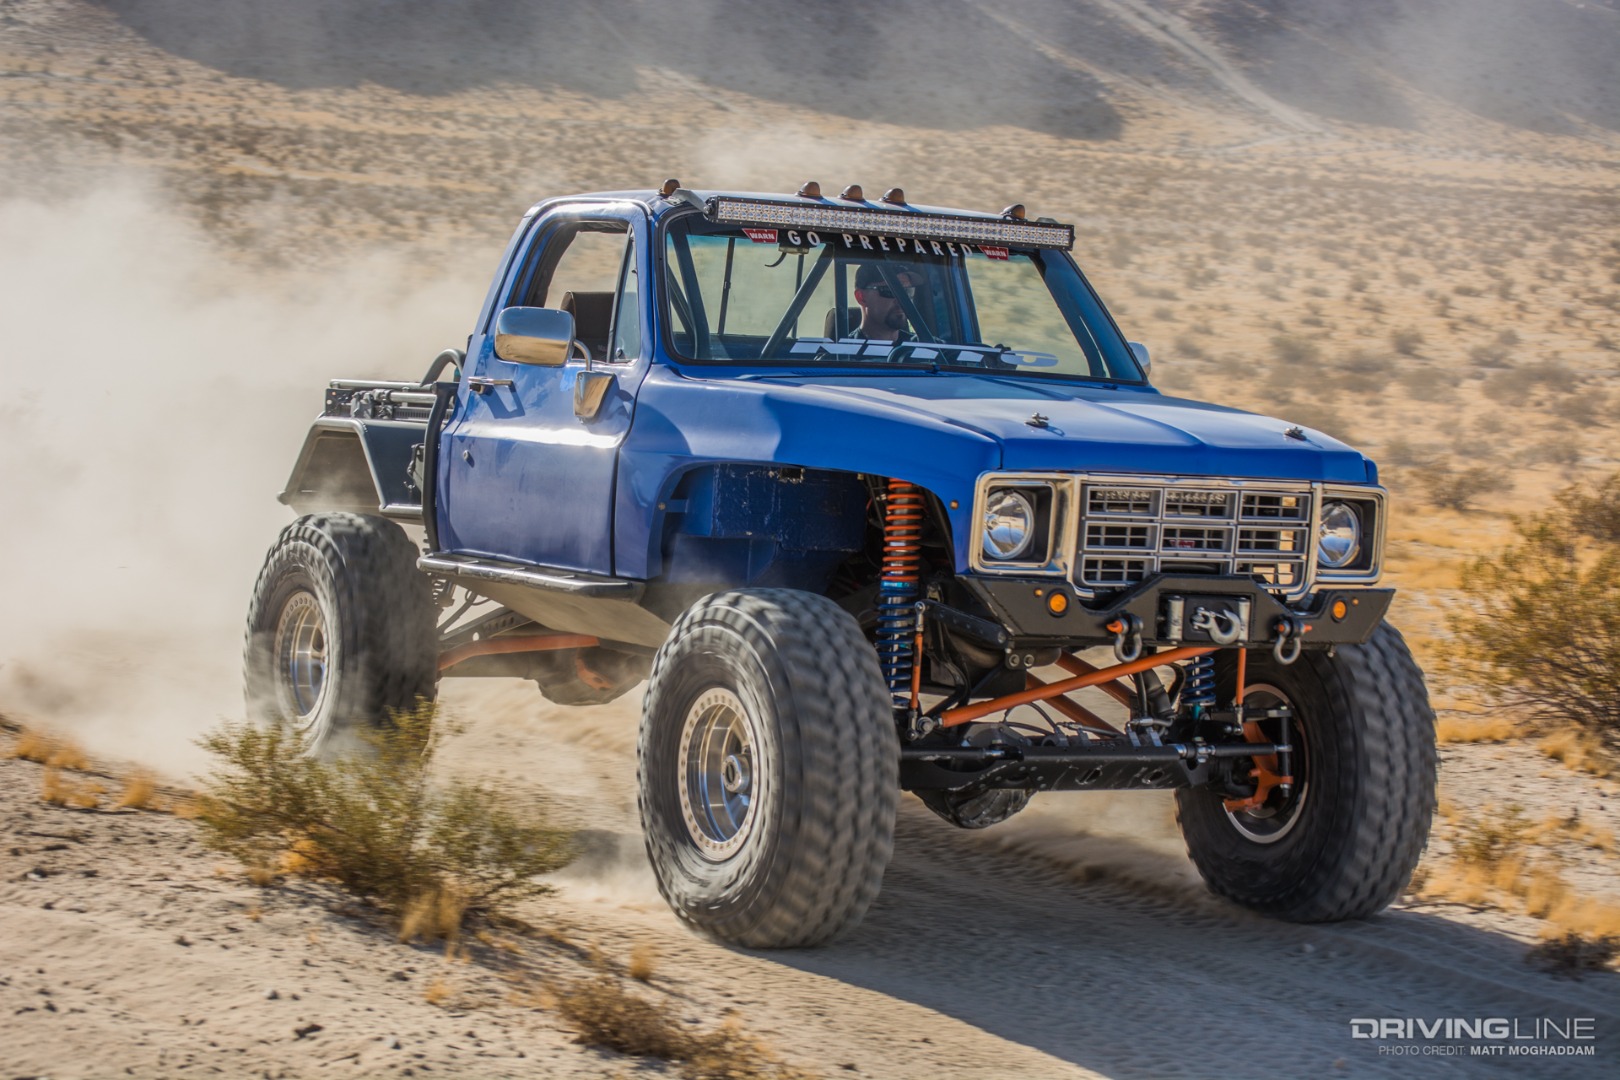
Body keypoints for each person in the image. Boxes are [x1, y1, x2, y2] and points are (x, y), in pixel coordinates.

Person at [851, 263, 922, 342]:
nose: (901, 300)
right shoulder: (841, 351)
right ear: (861, 297)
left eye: (908, 292)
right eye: (889, 291)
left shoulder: (929, 348)